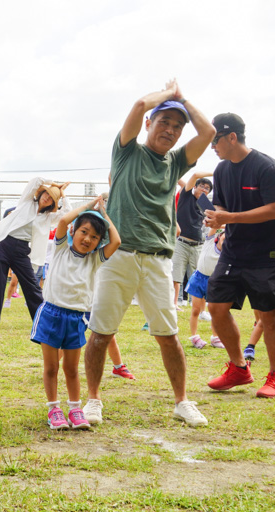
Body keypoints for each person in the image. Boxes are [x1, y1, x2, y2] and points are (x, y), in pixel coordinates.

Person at [84, 80, 214, 428]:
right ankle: (93, 399)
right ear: (149, 125)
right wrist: (167, 95)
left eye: (176, 126)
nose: (170, 131)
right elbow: (141, 103)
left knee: (168, 334)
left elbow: (209, 131)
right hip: (120, 256)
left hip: (158, 259)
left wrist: (184, 98)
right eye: (164, 123)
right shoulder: (126, 151)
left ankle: (182, 401)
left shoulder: (175, 162)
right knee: (101, 332)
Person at [204, 112, 275, 399]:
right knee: (216, 308)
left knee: (268, 315)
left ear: (232, 137)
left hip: (267, 254)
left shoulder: (266, 166)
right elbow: (221, 206)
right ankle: (239, 368)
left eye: (214, 140)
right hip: (233, 252)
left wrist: (229, 217)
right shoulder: (221, 170)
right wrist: (217, 219)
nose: (212, 147)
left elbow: (274, 210)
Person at [34, 196, 120, 430]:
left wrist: (103, 212)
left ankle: (75, 409)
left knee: (71, 368)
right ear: (74, 231)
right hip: (51, 314)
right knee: (51, 367)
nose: (88, 239)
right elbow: (62, 221)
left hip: (76, 318)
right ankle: (54, 409)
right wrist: (89, 206)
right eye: (84, 232)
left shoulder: (94, 260)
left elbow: (117, 240)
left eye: (94, 237)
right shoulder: (61, 248)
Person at [0, 178, 69, 326]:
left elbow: (67, 214)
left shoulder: (49, 217)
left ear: (52, 204)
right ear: (41, 193)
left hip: (22, 250)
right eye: (46, 194)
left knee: (31, 285)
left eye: (50, 198)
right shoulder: (27, 202)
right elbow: (36, 180)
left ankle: (41, 318)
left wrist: (62, 195)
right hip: (5, 243)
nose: (46, 198)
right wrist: (54, 184)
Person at [173, 173, 213, 305]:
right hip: (182, 242)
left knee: (198, 276)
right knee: (176, 275)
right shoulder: (186, 196)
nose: (204, 189)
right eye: (202, 186)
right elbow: (195, 175)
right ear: (195, 187)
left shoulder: (205, 204)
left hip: (198, 245)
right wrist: (215, 173)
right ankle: (177, 302)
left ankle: (193, 302)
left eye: (207, 188)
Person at [186, 230, 226, 349]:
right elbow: (214, 226)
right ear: (218, 237)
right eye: (225, 238)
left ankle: (215, 338)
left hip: (214, 281)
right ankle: (194, 337)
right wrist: (227, 221)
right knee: (195, 310)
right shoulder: (209, 241)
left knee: (215, 311)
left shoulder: (227, 254)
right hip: (199, 278)